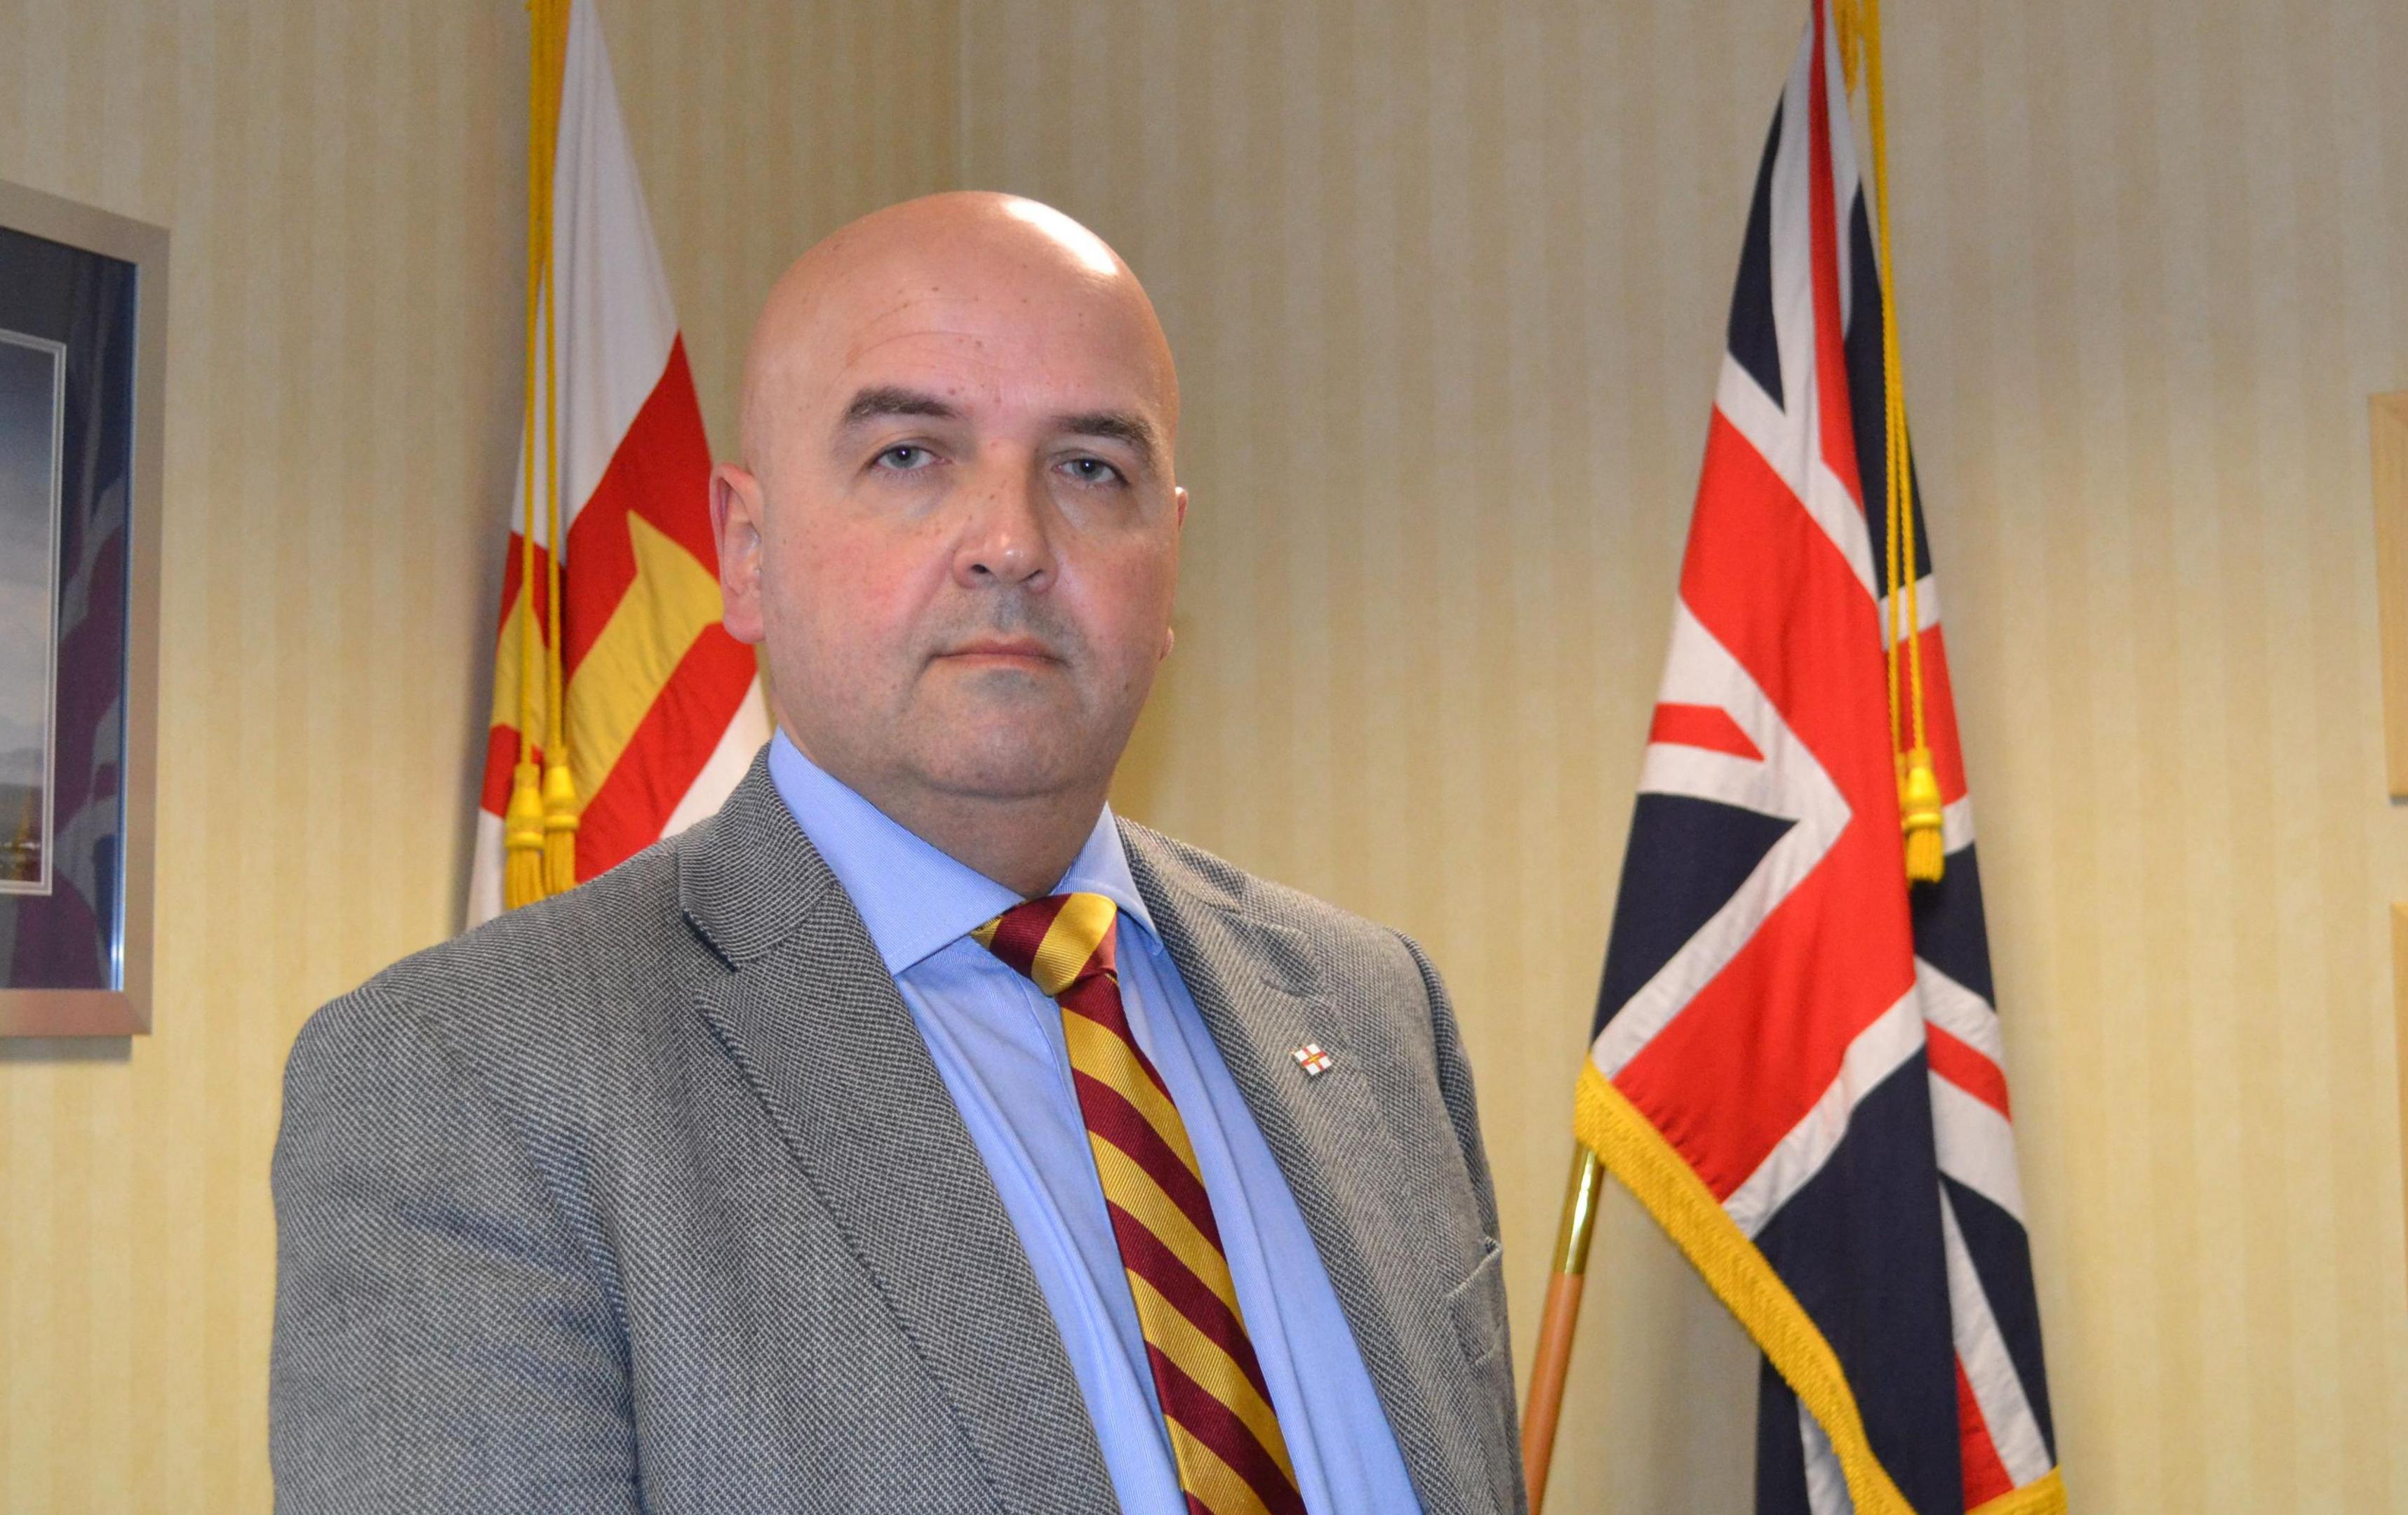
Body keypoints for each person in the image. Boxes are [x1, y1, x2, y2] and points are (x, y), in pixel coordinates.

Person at [270, 193, 1522, 1515]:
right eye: (911, 455)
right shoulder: (466, 1085)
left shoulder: (1377, 1012)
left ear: (1170, 561)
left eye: (1092, 467)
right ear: (746, 555)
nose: (1014, 543)